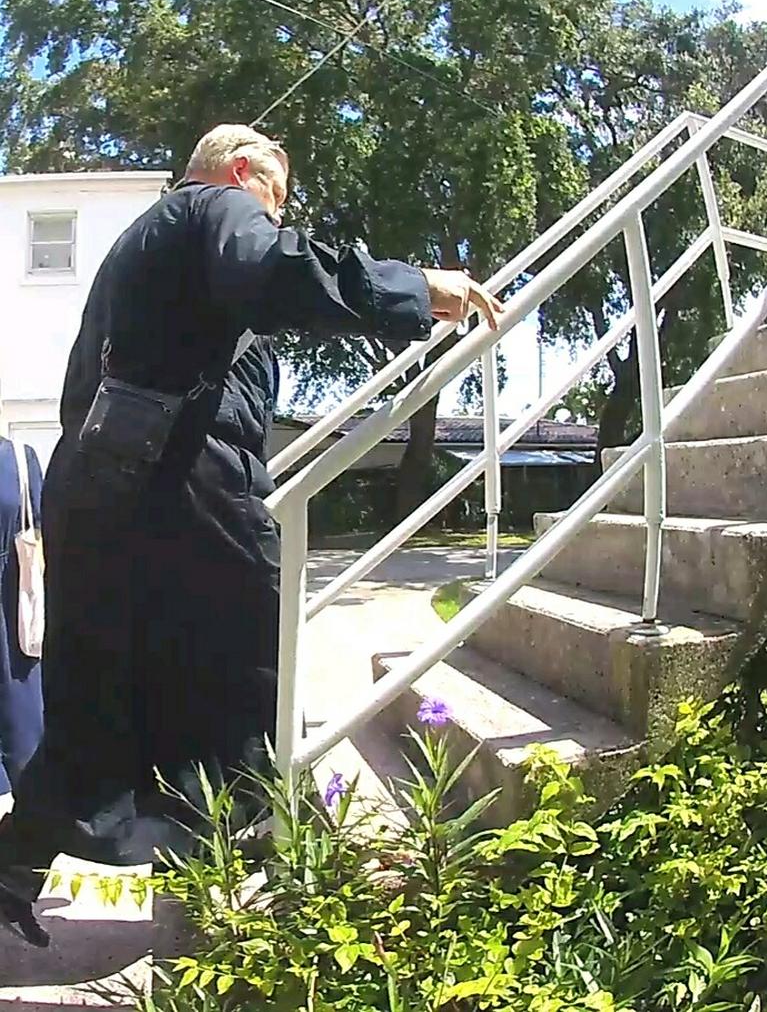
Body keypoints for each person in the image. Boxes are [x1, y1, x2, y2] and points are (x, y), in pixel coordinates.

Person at [0, 124, 504, 946]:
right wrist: (414, 287)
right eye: (276, 200)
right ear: (241, 173)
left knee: (103, 700)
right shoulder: (215, 210)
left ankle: (15, 867)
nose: (275, 217)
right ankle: (272, 864)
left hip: (101, 491)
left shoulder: (143, 249)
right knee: (246, 672)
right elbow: (272, 270)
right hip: (182, 481)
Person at [0, 439, 44, 803]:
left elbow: (43, 532)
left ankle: (27, 814)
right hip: (13, 600)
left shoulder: (19, 457)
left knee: (21, 711)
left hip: (13, 601)